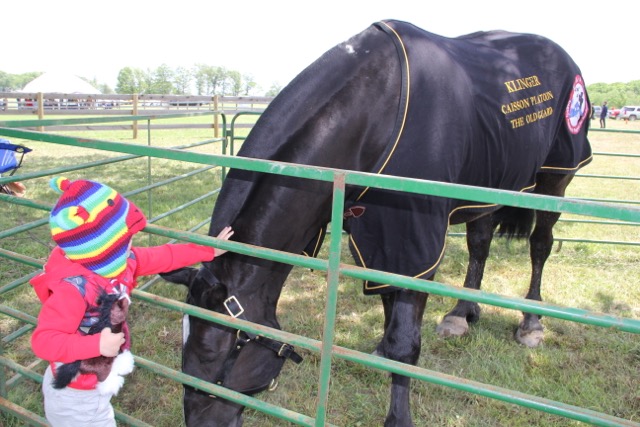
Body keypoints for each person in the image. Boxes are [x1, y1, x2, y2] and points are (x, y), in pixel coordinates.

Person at [30, 176, 234, 427]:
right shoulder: (73, 290)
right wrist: (97, 344)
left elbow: (163, 256)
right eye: (125, 241)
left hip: (95, 386)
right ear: (104, 249)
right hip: (73, 393)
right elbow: (44, 341)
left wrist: (208, 250)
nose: (132, 246)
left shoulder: (121, 263)